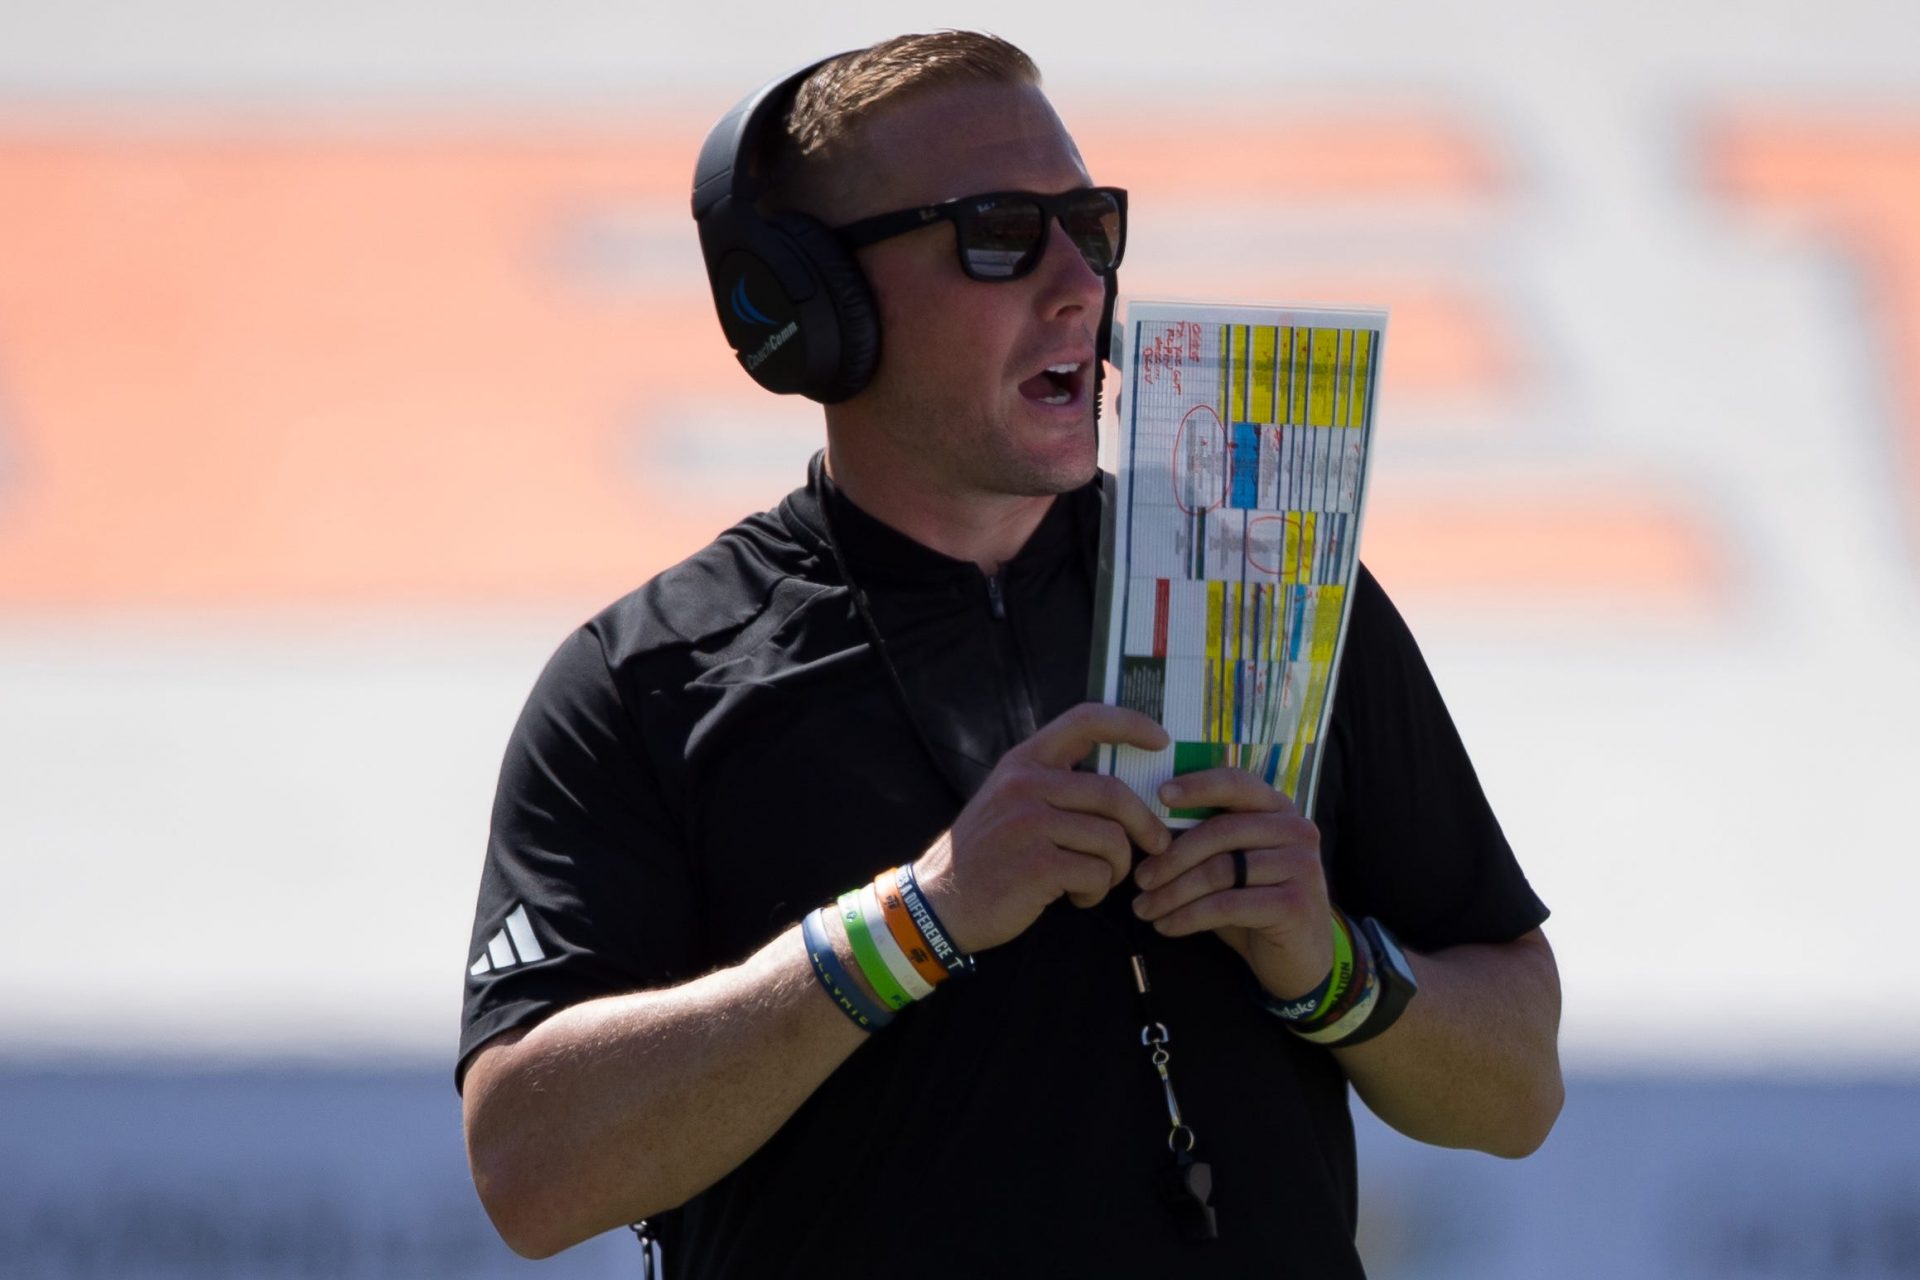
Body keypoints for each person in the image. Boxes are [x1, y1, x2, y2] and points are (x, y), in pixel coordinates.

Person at [458, 31, 1562, 1278]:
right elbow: (529, 1172)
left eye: (1091, 225)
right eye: (997, 232)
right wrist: (915, 922)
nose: (1077, 282)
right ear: (813, 307)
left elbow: (1518, 1087)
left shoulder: (1271, 585)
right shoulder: (643, 679)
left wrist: (1333, 968)